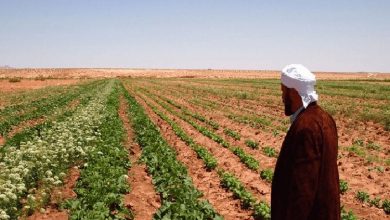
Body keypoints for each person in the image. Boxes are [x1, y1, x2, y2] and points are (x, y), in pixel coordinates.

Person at [271, 64, 340, 219]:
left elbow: (302, 188)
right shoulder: (325, 118)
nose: (282, 97)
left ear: (294, 92)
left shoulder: (306, 127)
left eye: (284, 91)